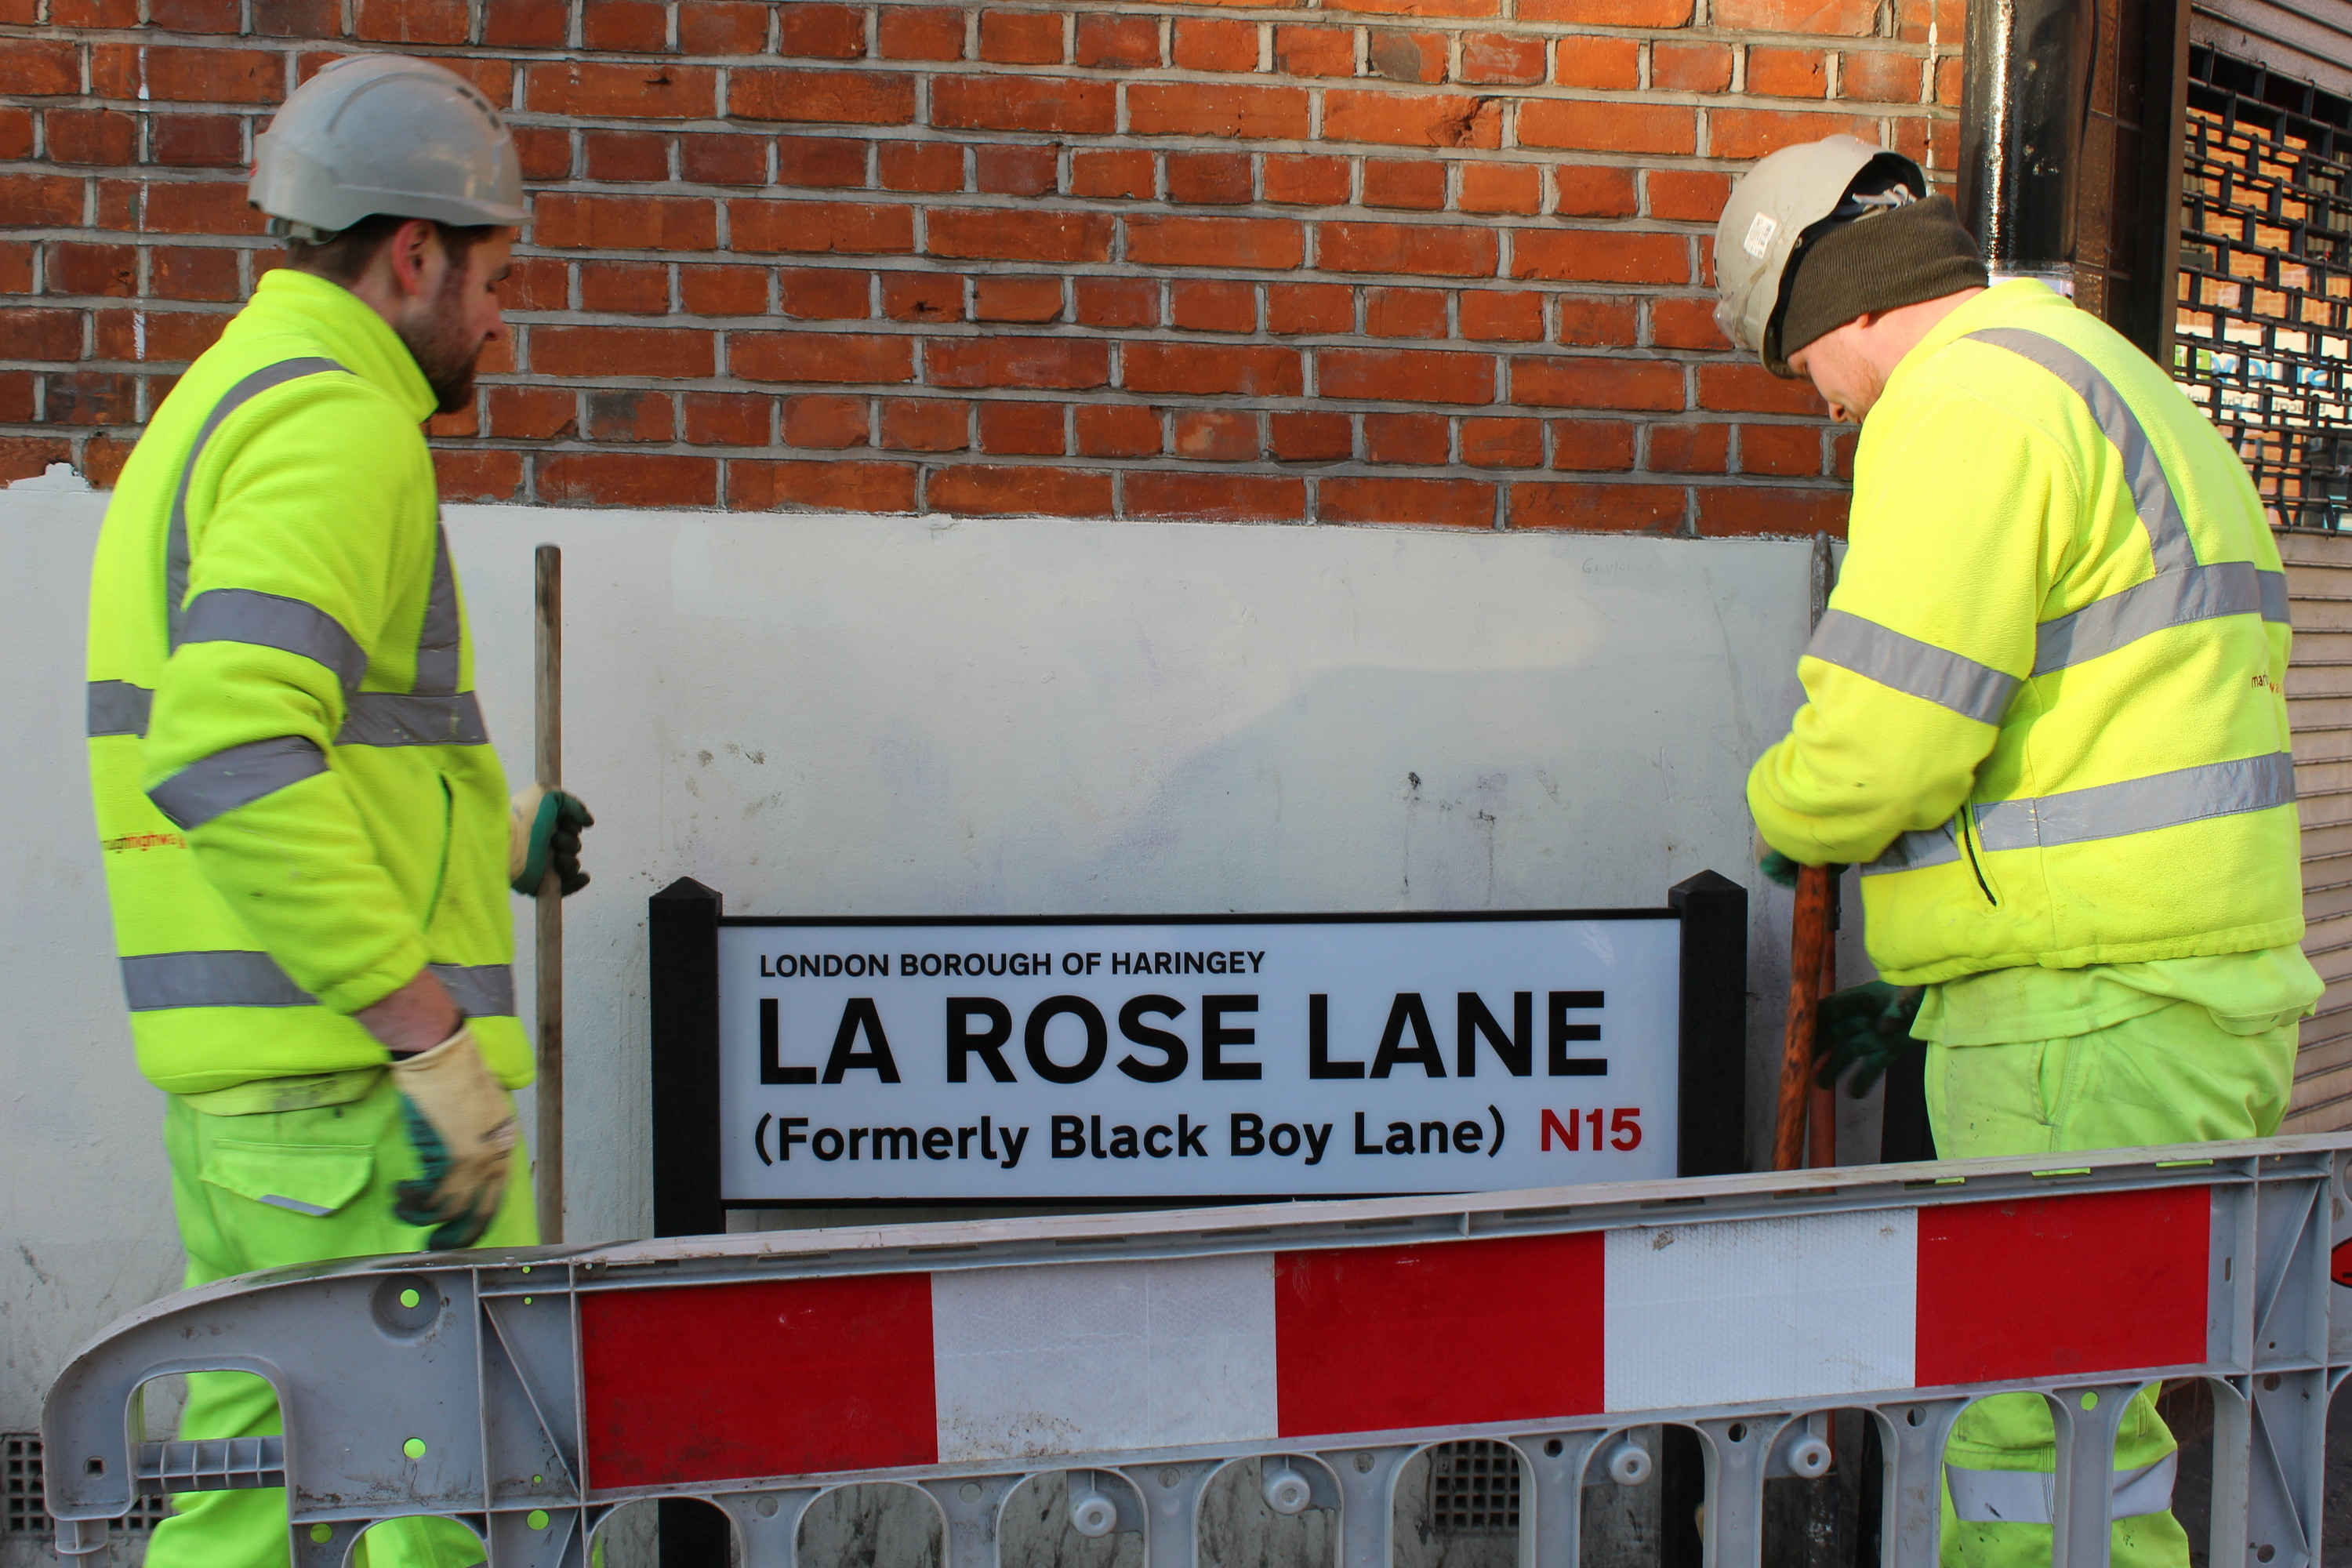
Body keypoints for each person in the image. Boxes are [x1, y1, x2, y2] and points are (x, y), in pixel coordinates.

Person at [1713, 136, 2320, 1568]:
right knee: (2102, 1426)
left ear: (1838, 299)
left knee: (2029, 1443)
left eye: (1801, 366)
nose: (1826, 406)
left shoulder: (1964, 405)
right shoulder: (2109, 380)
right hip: (2179, 1000)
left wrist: (1785, 814)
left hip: (2078, 1014)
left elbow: (1885, 740)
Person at [83, 53, 590, 1568]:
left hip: (257, 1110)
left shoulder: (216, 405)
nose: (504, 313)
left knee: (244, 1506)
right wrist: (430, 1040)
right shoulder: (343, 425)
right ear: (413, 253)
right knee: (451, 1504)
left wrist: (495, 837)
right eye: (496, 273)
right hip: (371, 1112)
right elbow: (235, 746)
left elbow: (315, 730)